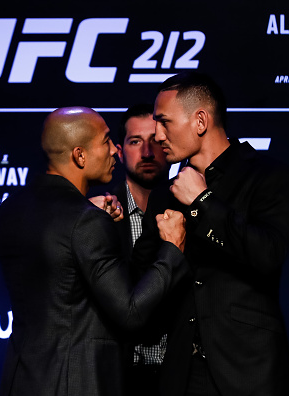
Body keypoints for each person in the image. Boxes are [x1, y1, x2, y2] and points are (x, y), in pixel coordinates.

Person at [0, 106, 188, 396]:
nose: (115, 151)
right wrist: (172, 249)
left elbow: (59, 276)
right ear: (79, 155)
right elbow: (131, 312)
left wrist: (87, 218)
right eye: (107, 141)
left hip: (23, 381)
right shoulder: (85, 221)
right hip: (77, 383)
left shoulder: (11, 208)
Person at [131, 72, 289, 396]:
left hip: (250, 371)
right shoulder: (165, 194)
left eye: (164, 122)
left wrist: (202, 201)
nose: (157, 134)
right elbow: (141, 279)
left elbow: (267, 255)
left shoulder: (269, 176)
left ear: (200, 120)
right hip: (182, 373)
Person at [109, 103, 171, 395]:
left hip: (180, 376)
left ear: (169, 146)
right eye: (135, 141)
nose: (147, 152)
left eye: (156, 141)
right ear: (119, 152)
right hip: (116, 377)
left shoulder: (196, 210)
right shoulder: (96, 215)